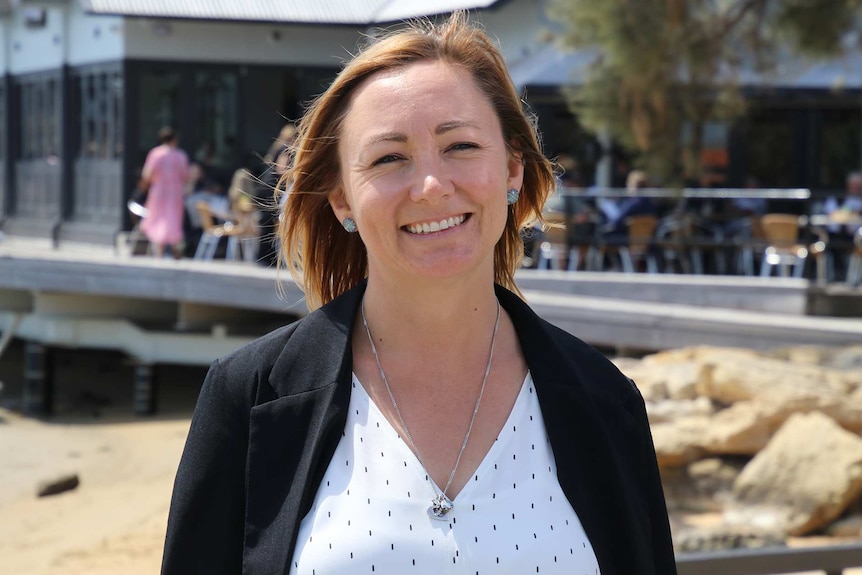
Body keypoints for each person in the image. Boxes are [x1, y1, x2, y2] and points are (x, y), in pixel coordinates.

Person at [162, 13, 675, 575]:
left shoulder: (607, 403)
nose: (432, 186)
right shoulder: (248, 398)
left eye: (460, 146)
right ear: (341, 200)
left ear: (512, 172)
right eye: (388, 158)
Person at [140, 126, 190, 259]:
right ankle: (175, 247)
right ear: (174, 139)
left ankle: (159, 251)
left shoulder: (155, 153)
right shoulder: (180, 155)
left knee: (158, 218)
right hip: (175, 191)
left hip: (159, 190)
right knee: (173, 218)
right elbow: (185, 176)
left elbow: (147, 174)